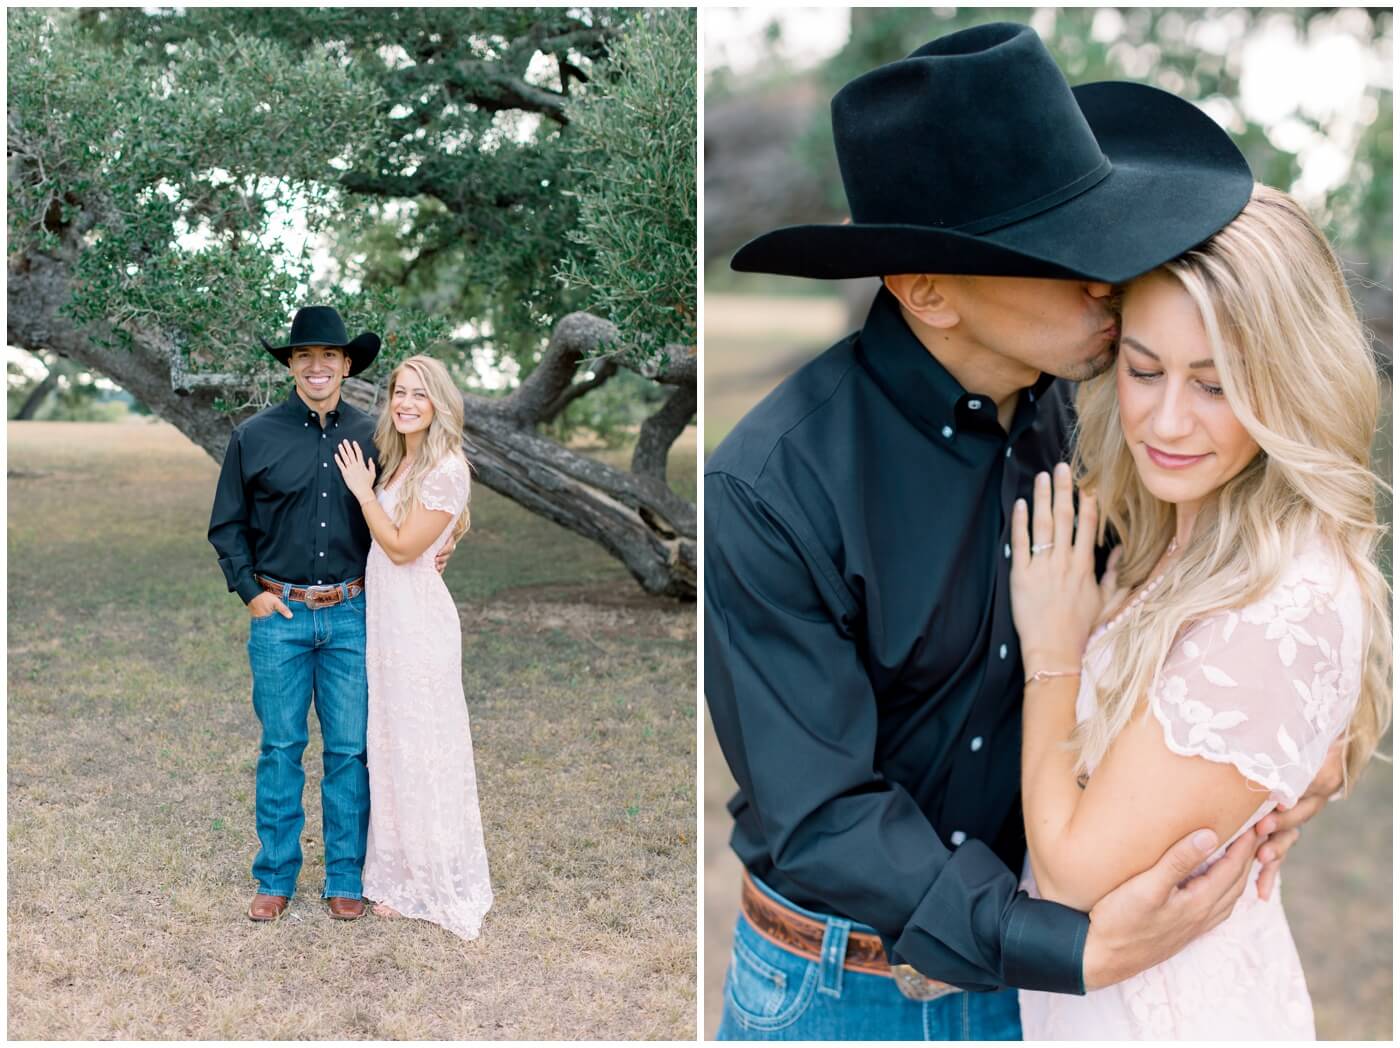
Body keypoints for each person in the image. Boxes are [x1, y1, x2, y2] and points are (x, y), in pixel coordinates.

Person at [704, 23, 1342, 1040]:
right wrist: (1069, 946)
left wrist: (1303, 756)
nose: (1106, 276)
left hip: (1066, 982)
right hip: (848, 993)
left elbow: (1238, 608)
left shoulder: (1113, 417)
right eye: (1060, 249)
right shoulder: (770, 490)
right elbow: (821, 813)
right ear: (925, 290)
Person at [1011, 184, 1390, 1039]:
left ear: (1287, 386)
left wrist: (1054, 649)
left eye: (1215, 386)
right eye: (1144, 371)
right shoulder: (1185, 525)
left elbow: (1072, 875)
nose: (1166, 420)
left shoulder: (1280, 601)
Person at [208, 305, 451, 923]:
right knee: (281, 747)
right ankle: (275, 878)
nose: (317, 366)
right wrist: (250, 592)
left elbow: (421, 496)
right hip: (279, 614)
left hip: (351, 614)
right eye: (304, 356)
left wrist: (443, 545)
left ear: (347, 366)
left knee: (349, 751)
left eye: (329, 356)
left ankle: (345, 876)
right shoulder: (254, 436)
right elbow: (227, 525)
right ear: (291, 365)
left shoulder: (376, 436)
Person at [333, 354, 493, 940]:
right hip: (389, 621)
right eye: (399, 392)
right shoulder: (405, 461)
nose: (404, 403)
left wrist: (361, 492)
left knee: (423, 747)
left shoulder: (447, 468)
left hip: (419, 627)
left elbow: (401, 548)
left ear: (439, 404)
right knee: (394, 745)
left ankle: (430, 882)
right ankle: (400, 873)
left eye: (418, 395)